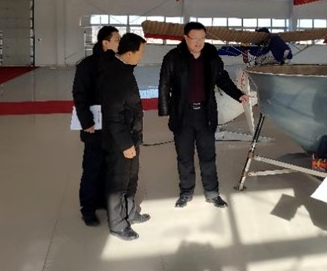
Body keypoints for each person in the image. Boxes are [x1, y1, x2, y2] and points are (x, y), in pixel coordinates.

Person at [158, 22, 250, 209]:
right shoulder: (173, 57)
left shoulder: (211, 56)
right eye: (195, 39)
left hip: (205, 114)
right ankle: (186, 192)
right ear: (185, 38)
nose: (199, 42)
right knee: (184, 157)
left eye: (202, 38)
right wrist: (166, 111)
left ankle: (212, 193)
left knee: (208, 156)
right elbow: (164, 84)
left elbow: (222, 78)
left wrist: (238, 94)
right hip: (183, 114)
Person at [99, 33, 150, 241]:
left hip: (132, 136)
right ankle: (118, 225)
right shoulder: (115, 75)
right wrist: (125, 143)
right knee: (118, 182)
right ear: (129, 53)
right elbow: (113, 115)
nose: (142, 56)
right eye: (141, 52)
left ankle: (130, 213)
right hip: (121, 140)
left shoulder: (125, 70)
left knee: (131, 178)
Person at [72, 25, 120, 226]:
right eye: (116, 40)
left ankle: (103, 200)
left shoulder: (117, 64)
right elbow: (79, 95)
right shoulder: (87, 65)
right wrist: (87, 122)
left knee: (109, 166)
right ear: (105, 43)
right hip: (94, 126)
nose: (119, 43)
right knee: (92, 167)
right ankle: (88, 208)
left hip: (113, 125)